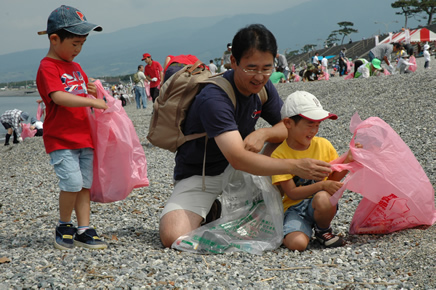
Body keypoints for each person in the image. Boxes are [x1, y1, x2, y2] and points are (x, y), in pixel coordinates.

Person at [159, 24, 332, 248]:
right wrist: (296, 166)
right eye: (251, 68)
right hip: (202, 174)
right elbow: (237, 158)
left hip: (245, 172)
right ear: (233, 62)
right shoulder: (214, 98)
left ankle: (283, 207)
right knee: (173, 236)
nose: (259, 76)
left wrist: (265, 132)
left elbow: (287, 125)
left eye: (266, 68)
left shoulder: (263, 87)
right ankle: (213, 210)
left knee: (278, 140)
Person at [36, 5, 109, 250]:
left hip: (84, 136)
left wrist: (90, 90)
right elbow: (58, 97)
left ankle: (84, 228)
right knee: (71, 183)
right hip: (62, 138)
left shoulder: (76, 67)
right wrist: (92, 100)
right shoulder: (48, 66)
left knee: (85, 184)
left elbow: (81, 89)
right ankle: (64, 224)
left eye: (82, 44)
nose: (78, 50)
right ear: (54, 39)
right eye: (74, 44)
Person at [271, 91, 362, 251]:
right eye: (309, 124)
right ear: (288, 123)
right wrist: (321, 186)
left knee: (323, 198)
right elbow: (291, 193)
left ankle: (322, 229)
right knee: (297, 245)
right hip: (294, 208)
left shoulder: (323, 145)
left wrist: (348, 160)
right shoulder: (279, 155)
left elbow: (332, 177)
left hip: (320, 204)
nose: (314, 130)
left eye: (317, 125)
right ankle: (294, 228)